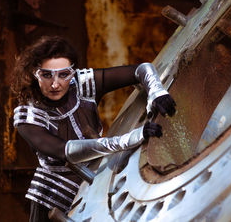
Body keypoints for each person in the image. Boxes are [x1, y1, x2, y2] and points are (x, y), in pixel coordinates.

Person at [10, 36, 176, 221]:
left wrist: (156, 92)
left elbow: (141, 69)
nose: (55, 84)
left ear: (72, 72)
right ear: (34, 73)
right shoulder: (27, 115)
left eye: (64, 74)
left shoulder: (83, 84)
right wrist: (129, 139)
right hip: (52, 201)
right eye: (47, 75)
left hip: (99, 186)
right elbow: (66, 151)